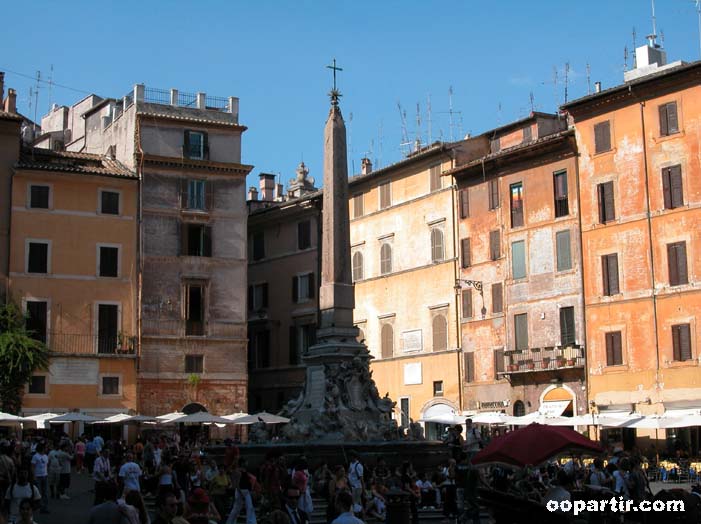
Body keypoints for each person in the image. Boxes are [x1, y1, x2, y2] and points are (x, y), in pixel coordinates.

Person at [226, 458, 256, 524]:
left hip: (244, 490)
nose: (247, 463)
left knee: (242, 507)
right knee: (245, 507)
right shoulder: (237, 471)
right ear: (242, 463)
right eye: (246, 462)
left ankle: (231, 522)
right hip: (242, 490)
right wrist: (240, 492)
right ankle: (250, 522)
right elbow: (237, 483)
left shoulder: (243, 471)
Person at [30, 443, 49, 514]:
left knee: (45, 492)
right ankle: (38, 507)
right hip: (38, 476)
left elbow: (46, 465)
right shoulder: (35, 456)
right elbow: (32, 467)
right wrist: (34, 476)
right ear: (42, 448)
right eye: (45, 448)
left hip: (45, 475)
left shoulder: (46, 456)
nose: (46, 449)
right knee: (38, 492)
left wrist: (47, 474)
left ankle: (44, 508)